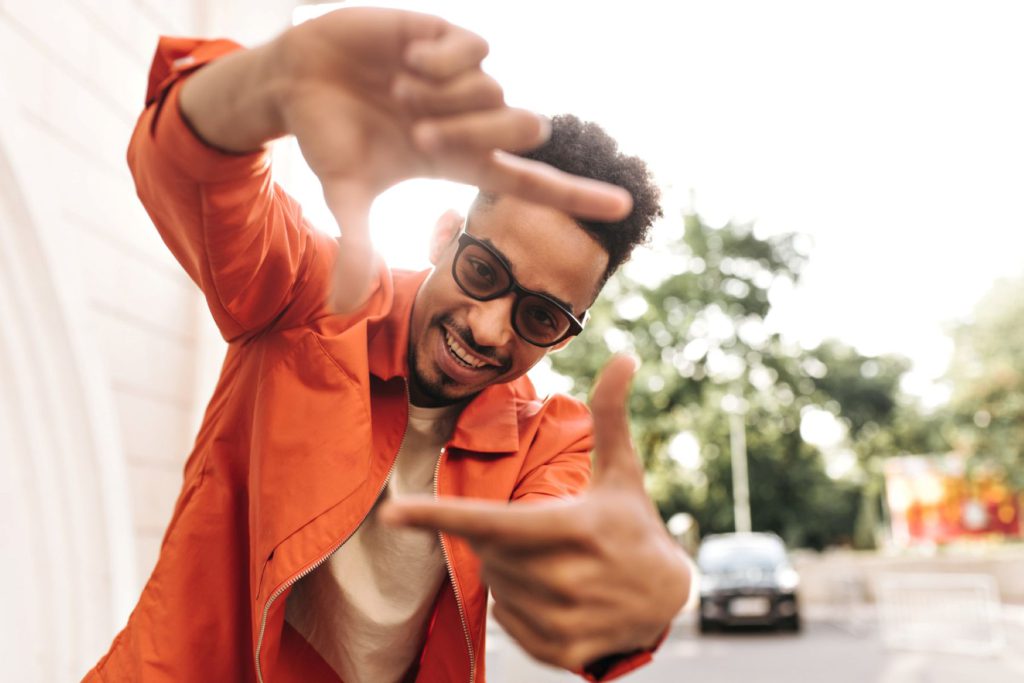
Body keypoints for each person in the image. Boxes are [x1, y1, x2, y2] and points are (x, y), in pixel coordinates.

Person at [86, 7, 690, 682]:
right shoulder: (309, 298)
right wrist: (272, 79)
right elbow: (188, 170)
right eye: (483, 272)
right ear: (442, 236)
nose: (488, 330)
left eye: (541, 318)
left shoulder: (548, 440)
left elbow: (566, 554)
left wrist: (624, 600)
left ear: (569, 331)